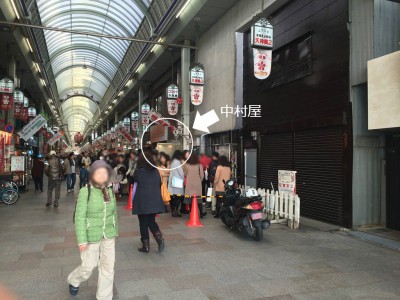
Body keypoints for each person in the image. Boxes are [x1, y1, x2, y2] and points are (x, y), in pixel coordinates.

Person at [68, 160, 118, 299]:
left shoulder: (110, 190)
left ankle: (104, 297)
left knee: (108, 267)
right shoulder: (86, 191)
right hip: (90, 236)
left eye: (105, 173)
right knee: (87, 268)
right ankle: (74, 280)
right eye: (98, 172)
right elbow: (80, 217)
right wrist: (82, 240)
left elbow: (114, 212)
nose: (102, 175)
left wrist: (115, 230)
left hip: (108, 234)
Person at [132, 151, 165, 253]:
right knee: (151, 221)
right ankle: (159, 239)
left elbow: (133, 181)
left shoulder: (138, 172)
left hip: (142, 200)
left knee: (143, 222)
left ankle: (146, 246)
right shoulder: (156, 171)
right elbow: (159, 184)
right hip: (154, 200)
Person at [184, 153, 206, 217]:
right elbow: (202, 175)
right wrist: (199, 180)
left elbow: (185, 174)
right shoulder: (199, 165)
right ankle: (201, 213)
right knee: (199, 199)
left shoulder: (187, 165)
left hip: (189, 184)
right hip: (197, 184)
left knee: (190, 200)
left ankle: (191, 213)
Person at [168, 150, 185, 217]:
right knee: (178, 196)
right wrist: (183, 178)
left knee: (172, 197)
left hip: (172, 179)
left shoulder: (172, 162)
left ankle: (173, 211)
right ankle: (176, 211)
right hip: (177, 180)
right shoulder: (177, 162)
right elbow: (180, 172)